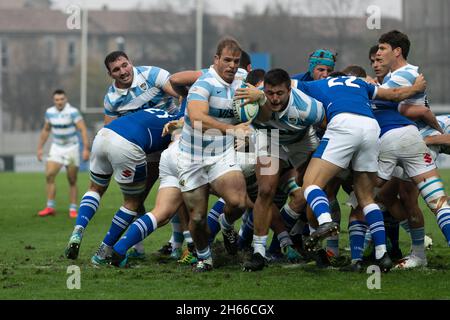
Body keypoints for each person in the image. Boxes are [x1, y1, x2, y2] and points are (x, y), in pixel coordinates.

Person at [294, 69, 427, 273]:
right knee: (366, 197)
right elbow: (393, 94)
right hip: (371, 127)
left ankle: (326, 222)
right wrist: (417, 88)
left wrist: (257, 92)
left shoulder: (319, 84)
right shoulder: (361, 84)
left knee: (310, 184)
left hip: (343, 124)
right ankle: (382, 255)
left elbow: (285, 85)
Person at [235, 68, 326, 271]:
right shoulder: (252, 101)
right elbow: (236, 119)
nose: (274, 99)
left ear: (289, 90)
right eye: (269, 93)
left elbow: (329, 126)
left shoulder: (308, 108)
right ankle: (258, 252)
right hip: (271, 140)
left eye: (280, 93)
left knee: (309, 192)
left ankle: (315, 246)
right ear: (264, 90)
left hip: (302, 142)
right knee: (266, 190)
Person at [177, 37, 254, 272]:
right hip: (192, 157)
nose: (232, 66)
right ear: (216, 60)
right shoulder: (203, 84)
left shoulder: (242, 79)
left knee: (238, 202)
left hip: (221, 153)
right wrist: (233, 129)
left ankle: (225, 223)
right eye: (227, 60)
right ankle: (204, 257)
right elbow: (198, 119)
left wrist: (259, 96)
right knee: (198, 218)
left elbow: (266, 89)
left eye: (236, 61)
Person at [64, 108, 179, 262]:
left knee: (95, 189)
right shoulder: (180, 125)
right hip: (127, 145)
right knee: (132, 203)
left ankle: (78, 229)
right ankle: (103, 252)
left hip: (103, 135)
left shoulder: (155, 110)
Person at [37, 89, 90, 218]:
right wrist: (40, 148)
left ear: (65, 100)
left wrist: (86, 149)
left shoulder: (73, 112)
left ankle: (72, 208)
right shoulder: (49, 112)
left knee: (72, 179)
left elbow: (83, 130)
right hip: (56, 148)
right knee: (49, 175)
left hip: (71, 148)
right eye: (57, 100)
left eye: (61, 99)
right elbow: (46, 130)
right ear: (53, 100)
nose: (59, 102)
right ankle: (50, 207)